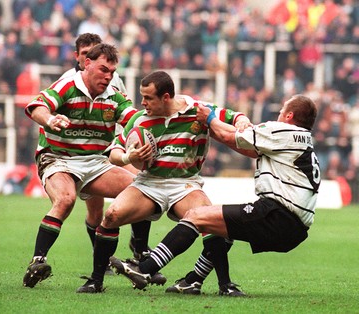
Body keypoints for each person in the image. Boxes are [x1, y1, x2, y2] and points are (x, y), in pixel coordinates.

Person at [110, 94, 321, 296]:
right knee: (220, 226)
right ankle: (195, 281)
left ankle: (144, 269)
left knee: (196, 216)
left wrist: (209, 119)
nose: (279, 113)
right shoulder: (301, 140)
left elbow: (232, 136)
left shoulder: (280, 130)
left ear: (289, 116)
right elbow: (245, 146)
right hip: (296, 230)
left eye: (282, 109)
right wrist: (216, 129)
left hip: (277, 214)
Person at [78, 70, 252, 294]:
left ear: (166, 97)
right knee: (111, 216)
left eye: (149, 98)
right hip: (148, 184)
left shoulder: (197, 110)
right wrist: (128, 158)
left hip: (185, 184)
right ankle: (96, 281)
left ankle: (225, 285)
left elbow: (235, 117)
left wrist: (244, 122)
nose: (143, 103)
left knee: (211, 223)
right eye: (142, 97)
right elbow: (113, 152)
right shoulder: (139, 119)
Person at [22, 43, 138, 290]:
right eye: (103, 70)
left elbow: (135, 120)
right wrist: (51, 119)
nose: (108, 76)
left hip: (95, 162)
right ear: (87, 63)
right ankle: (37, 261)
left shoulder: (113, 96)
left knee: (142, 191)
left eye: (112, 72)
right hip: (57, 157)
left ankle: (138, 254)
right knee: (65, 199)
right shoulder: (67, 85)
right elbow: (36, 107)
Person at [58, 33, 150, 273]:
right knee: (96, 211)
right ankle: (102, 259)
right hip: (82, 154)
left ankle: (140, 249)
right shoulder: (68, 81)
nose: (89, 57)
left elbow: (125, 107)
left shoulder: (112, 76)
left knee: (143, 185)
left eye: (93, 52)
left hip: (113, 146)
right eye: (84, 53)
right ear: (79, 58)